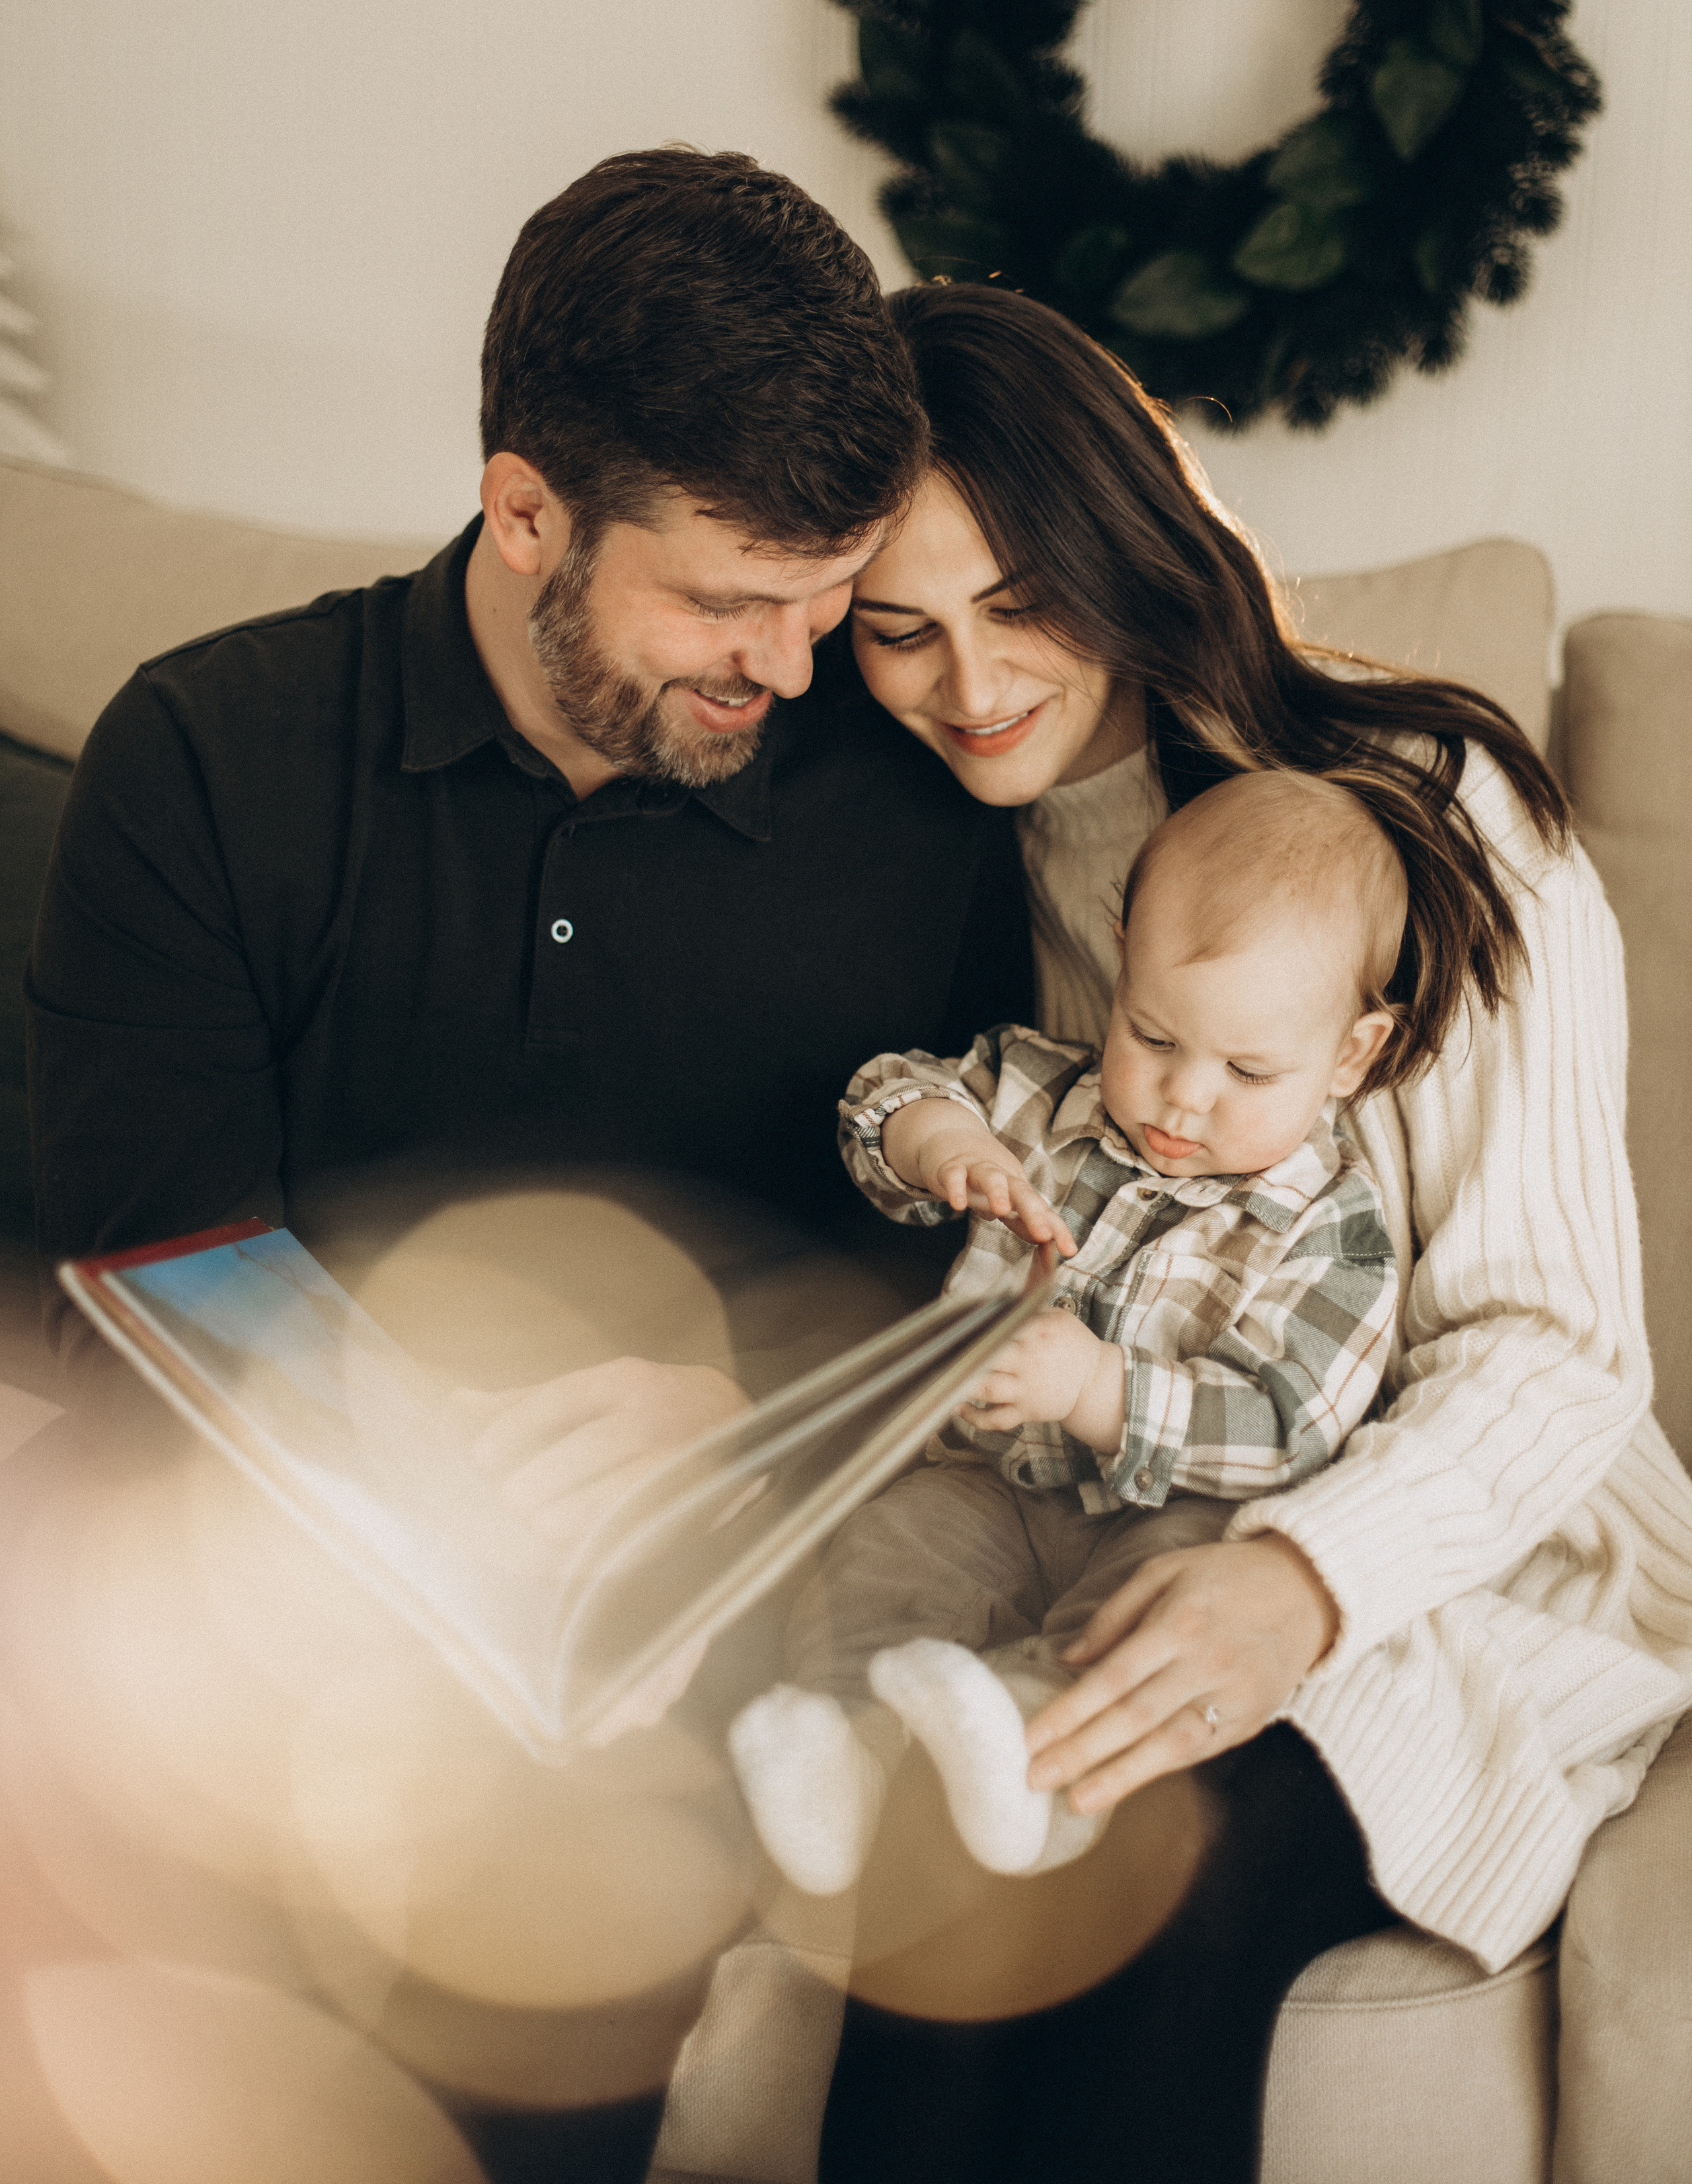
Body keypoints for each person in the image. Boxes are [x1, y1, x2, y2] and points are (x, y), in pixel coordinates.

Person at [21, 154, 1037, 2183]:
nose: (797, 668)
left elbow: (936, 1292)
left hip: (670, 1600)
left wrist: (731, 1409)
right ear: (524, 516)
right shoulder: (212, 759)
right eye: (731, 605)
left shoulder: (908, 827)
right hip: (260, 1540)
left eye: (830, 603)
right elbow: (155, 1258)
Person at [808, 280, 1692, 2184]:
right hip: (1092, 1499)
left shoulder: (1436, 818)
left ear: (1133, 543)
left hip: (1459, 1549)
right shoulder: (912, 846)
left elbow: (1555, 1347)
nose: (968, 684)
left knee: (1146, 1851)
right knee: (950, 1819)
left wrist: (1306, 1578)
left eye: (1019, 604)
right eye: (899, 631)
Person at [731, 767, 1418, 1895]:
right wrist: (945, 1145)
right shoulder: (1037, 1091)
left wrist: (1102, 1390)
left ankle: (1026, 1768)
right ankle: (837, 1753)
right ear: (1119, 962)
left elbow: (1292, 1425)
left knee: (1139, 1632)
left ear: (1351, 1055)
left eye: (1248, 1070)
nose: (1183, 1099)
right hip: (986, 1479)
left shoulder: (1335, 1228)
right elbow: (882, 1094)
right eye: (1153, 1035)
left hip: (1175, 1513)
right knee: (888, 1553)